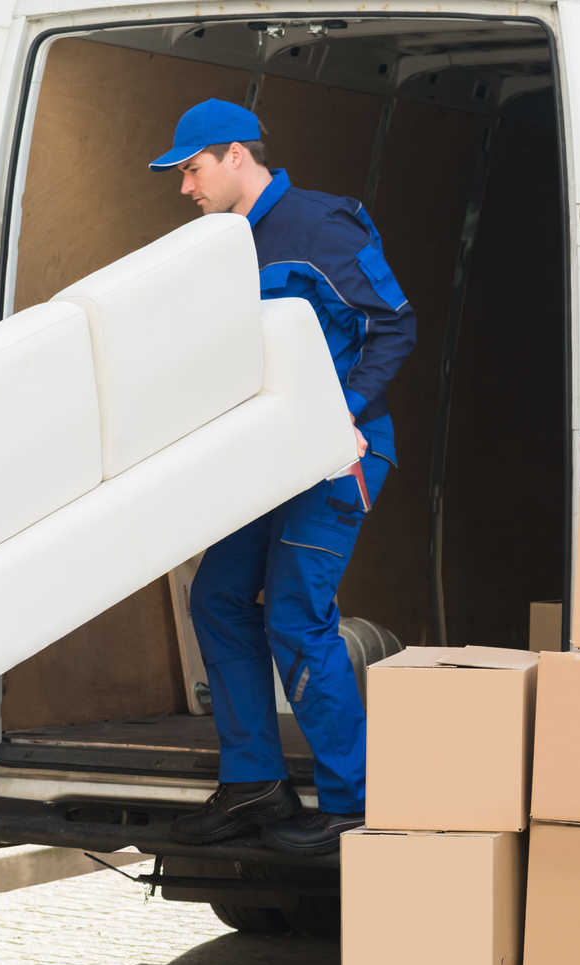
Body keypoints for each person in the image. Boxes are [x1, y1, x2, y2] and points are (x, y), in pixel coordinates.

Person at [150, 100, 416, 856]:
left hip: (338, 456)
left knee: (296, 615)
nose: (184, 188)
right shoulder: (218, 247)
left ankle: (352, 803)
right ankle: (256, 785)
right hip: (266, 462)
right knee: (218, 597)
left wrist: (346, 413)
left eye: (192, 170)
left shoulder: (319, 226)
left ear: (237, 156)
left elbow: (395, 323)